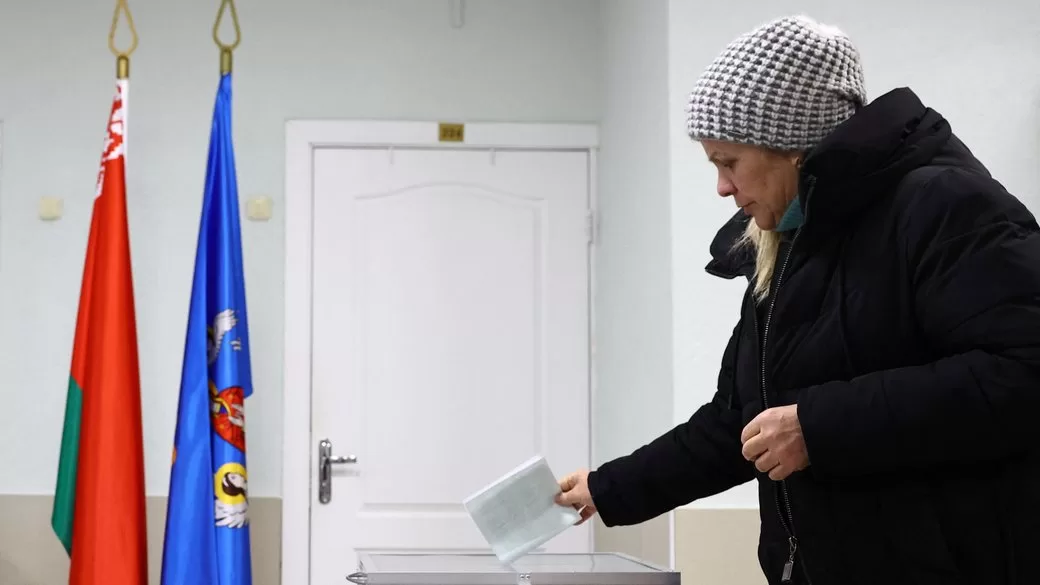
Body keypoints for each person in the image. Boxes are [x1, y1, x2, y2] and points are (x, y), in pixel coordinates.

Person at [555, 14, 1040, 585]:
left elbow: (1022, 373)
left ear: (790, 146)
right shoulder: (785, 244)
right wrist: (611, 488)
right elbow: (741, 424)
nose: (722, 187)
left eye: (728, 162)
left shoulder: (944, 204)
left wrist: (821, 427)